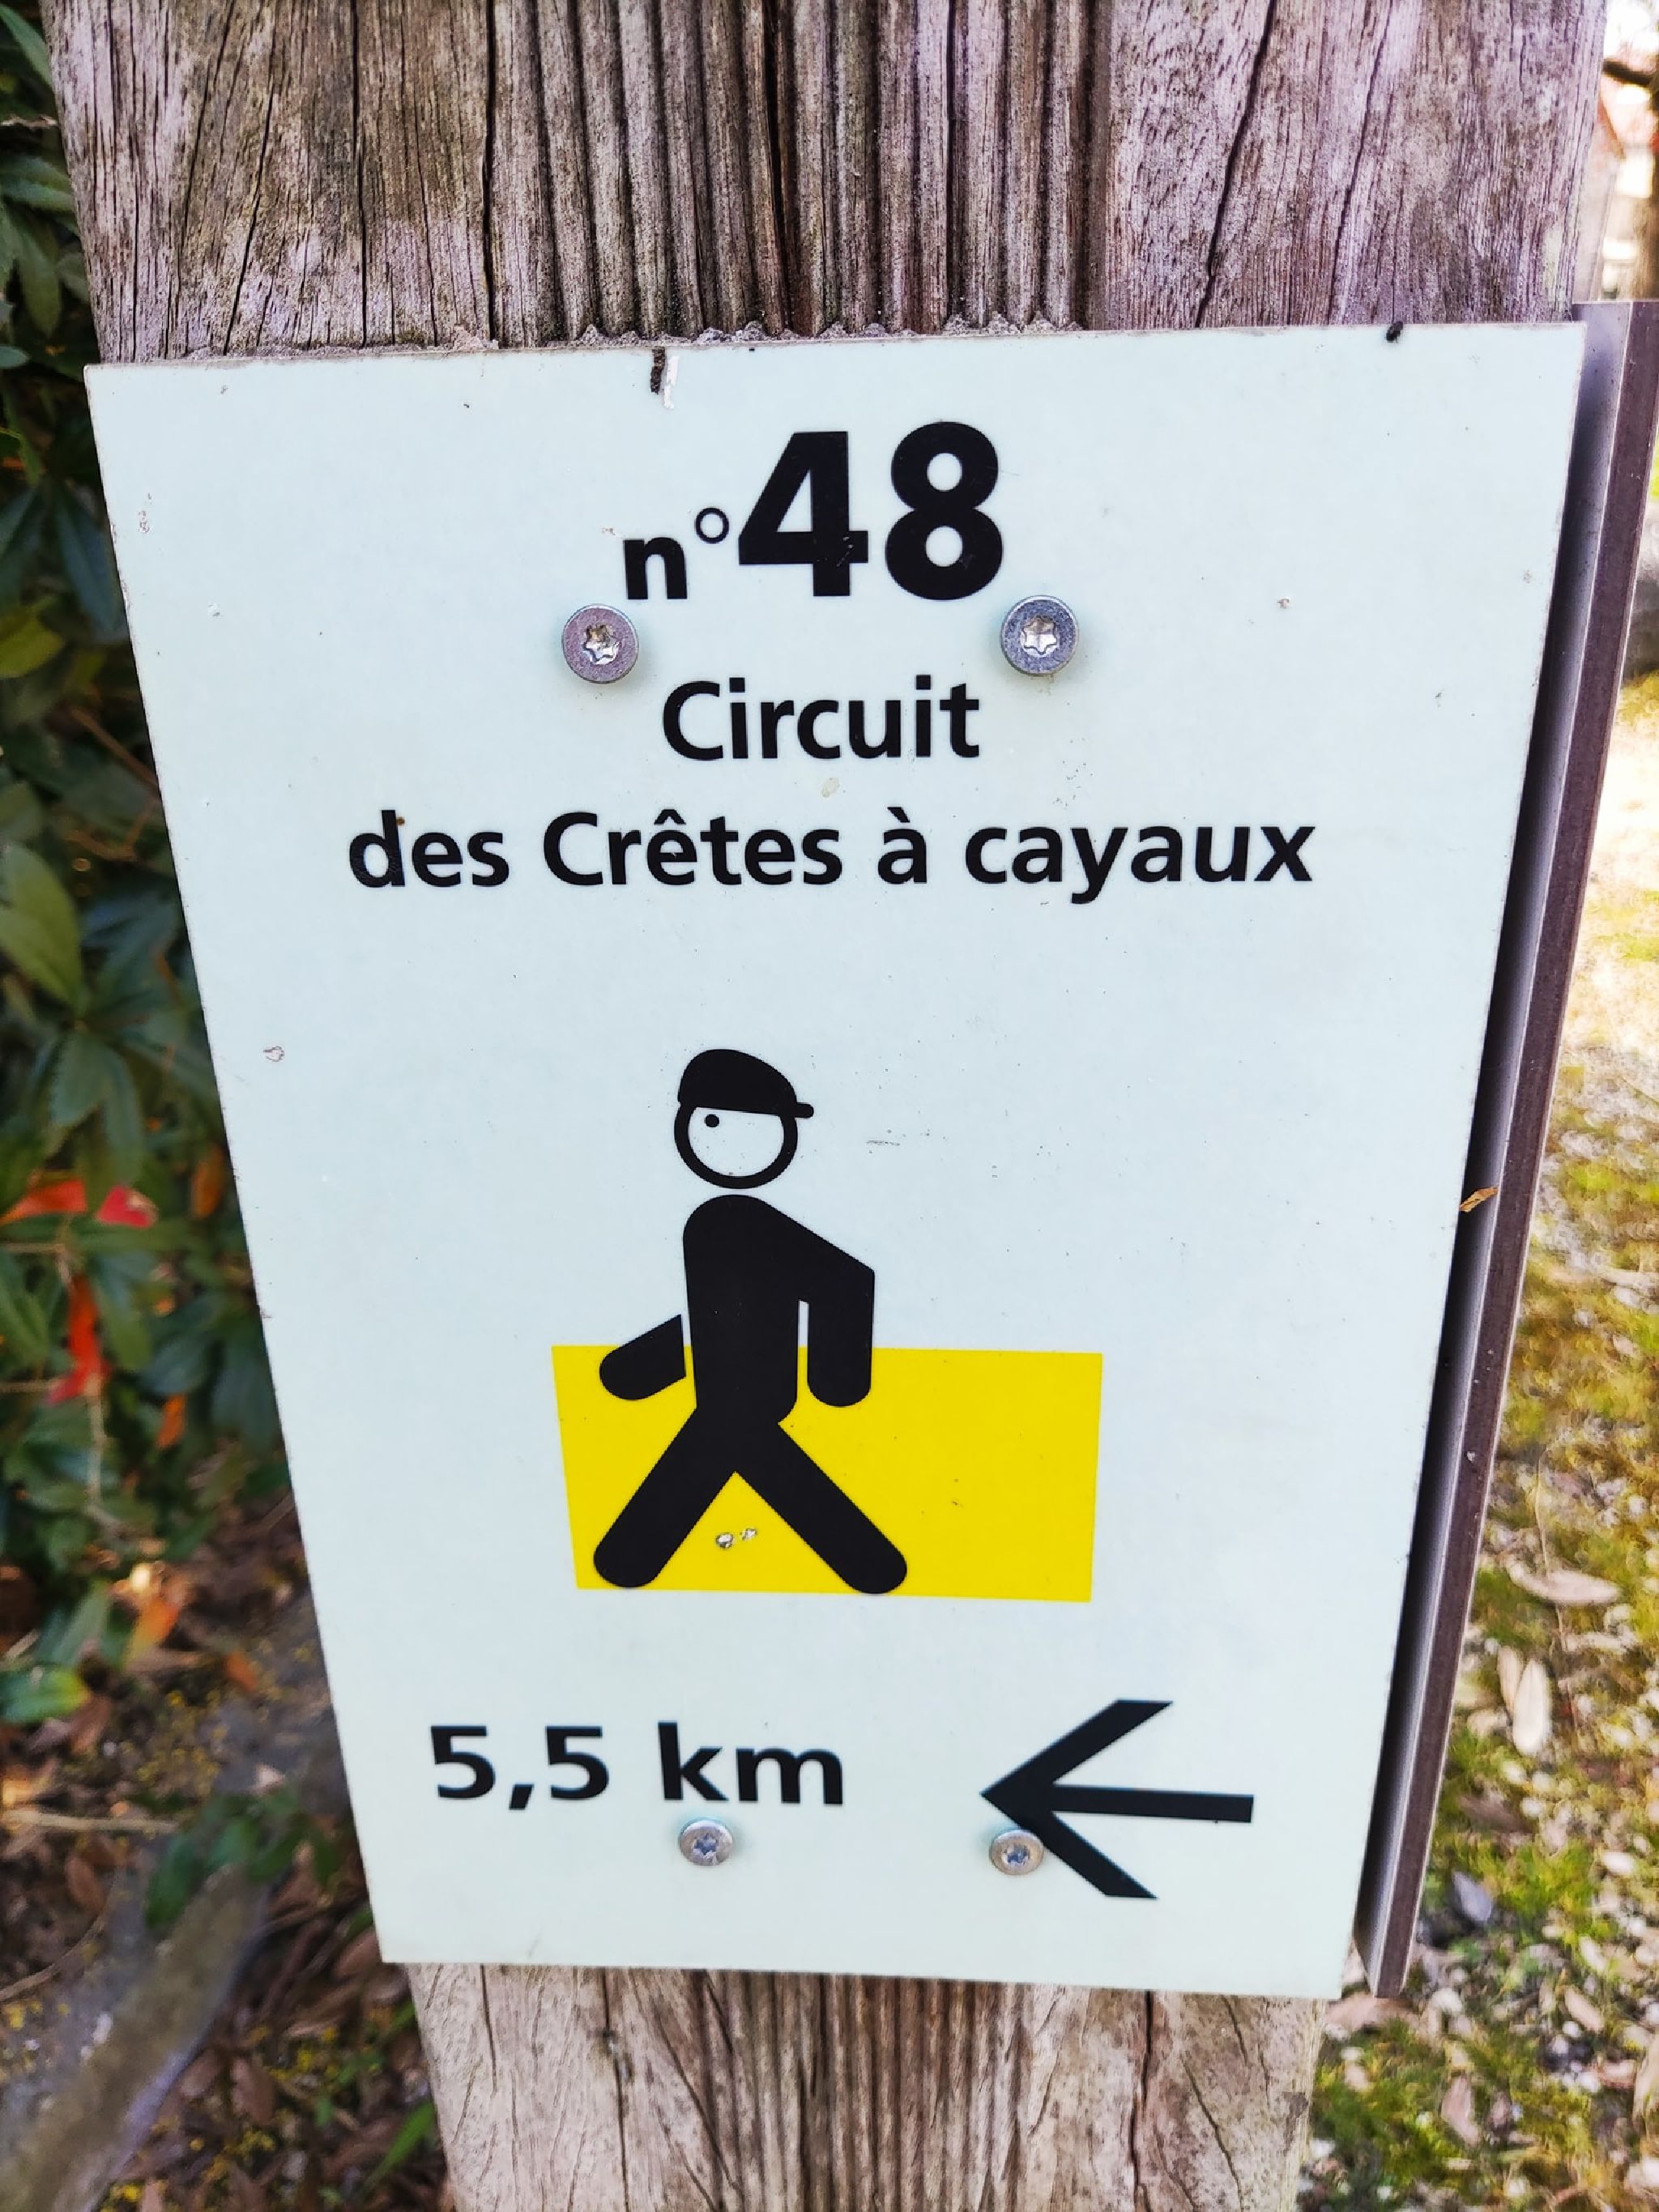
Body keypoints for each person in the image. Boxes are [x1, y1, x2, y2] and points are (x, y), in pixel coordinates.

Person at [591, 1050, 906, 1593]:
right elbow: (705, 1313)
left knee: (737, 1468)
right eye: (713, 1122)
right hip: (728, 1398)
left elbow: (843, 1283)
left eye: (756, 1125)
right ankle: (872, 1568)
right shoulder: (710, 1221)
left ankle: (872, 1567)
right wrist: (640, 1367)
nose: (731, 1140)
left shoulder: (750, 1224)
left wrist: (838, 1378)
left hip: (749, 1396)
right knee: (757, 1466)